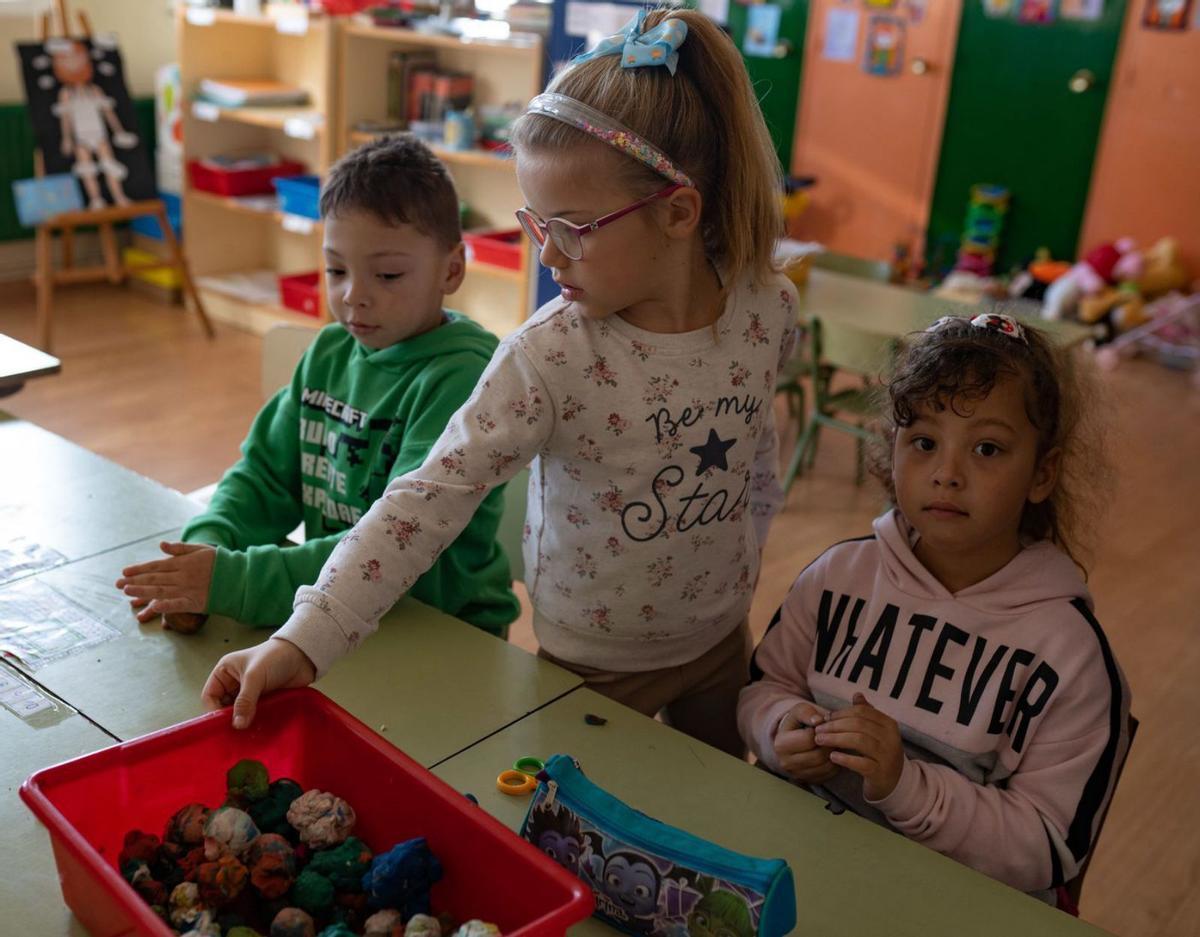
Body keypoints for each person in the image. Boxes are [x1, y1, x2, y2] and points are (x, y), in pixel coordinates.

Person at [200, 9, 797, 756]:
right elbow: (423, 500)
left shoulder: (766, 306)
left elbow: (757, 450)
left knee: (717, 821)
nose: (550, 259)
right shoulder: (550, 354)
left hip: (719, 641)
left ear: (677, 212)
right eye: (535, 225)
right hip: (591, 667)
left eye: (573, 228)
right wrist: (304, 640)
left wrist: (749, 558)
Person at [738, 313, 1132, 905]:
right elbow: (764, 689)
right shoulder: (837, 577)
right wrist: (778, 730)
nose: (947, 475)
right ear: (892, 451)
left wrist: (904, 784)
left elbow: (1048, 847)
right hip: (797, 876)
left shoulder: (1070, 656)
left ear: (1042, 474)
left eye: (988, 449)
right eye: (924, 443)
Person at [116, 135, 518, 639]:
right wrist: (207, 548)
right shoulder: (329, 353)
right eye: (335, 269)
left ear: (452, 270)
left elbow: (392, 549)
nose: (354, 295)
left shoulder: (462, 381)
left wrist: (232, 582)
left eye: (388, 274)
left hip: (441, 633)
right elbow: (262, 480)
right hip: (337, 614)